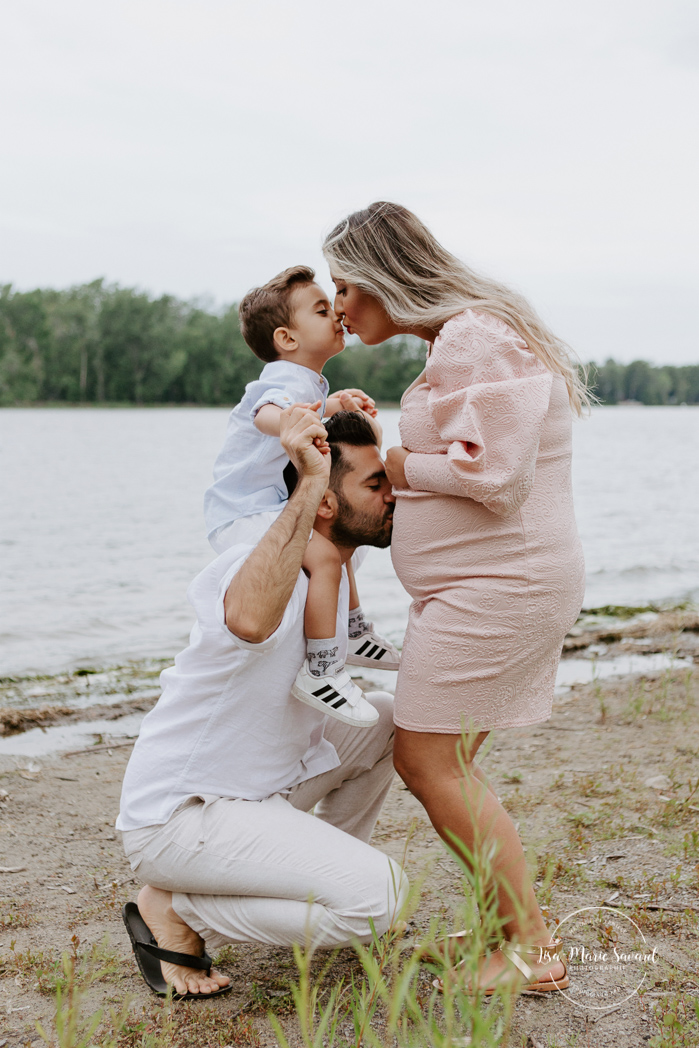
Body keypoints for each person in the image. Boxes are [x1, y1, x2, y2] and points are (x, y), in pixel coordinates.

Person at [322, 202, 588, 995]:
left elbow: (494, 479)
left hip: (501, 587)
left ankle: (531, 949)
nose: (337, 306)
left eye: (343, 285)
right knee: (448, 762)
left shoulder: (474, 334)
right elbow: (473, 453)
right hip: (479, 586)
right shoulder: (458, 341)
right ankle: (507, 928)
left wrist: (392, 464)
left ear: (381, 277)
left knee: (426, 757)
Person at [118, 408, 408, 999]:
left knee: (386, 717)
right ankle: (178, 908)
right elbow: (250, 620)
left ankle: (324, 874)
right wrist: (307, 479)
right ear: (324, 504)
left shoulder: (332, 562)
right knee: (385, 900)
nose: (393, 497)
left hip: (257, 792)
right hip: (180, 816)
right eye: (376, 487)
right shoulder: (258, 566)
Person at [204, 265, 400, 727]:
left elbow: (305, 407)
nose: (336, 312)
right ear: (287, 339)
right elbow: (264, 412)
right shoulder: (282, 379)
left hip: (264, 506)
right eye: (320, 308)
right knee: (328, 557)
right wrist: (290, 423)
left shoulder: (305, 381)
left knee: (338, 550)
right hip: (242, 513)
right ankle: (324, 669)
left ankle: (352, 631)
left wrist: (336, 406)